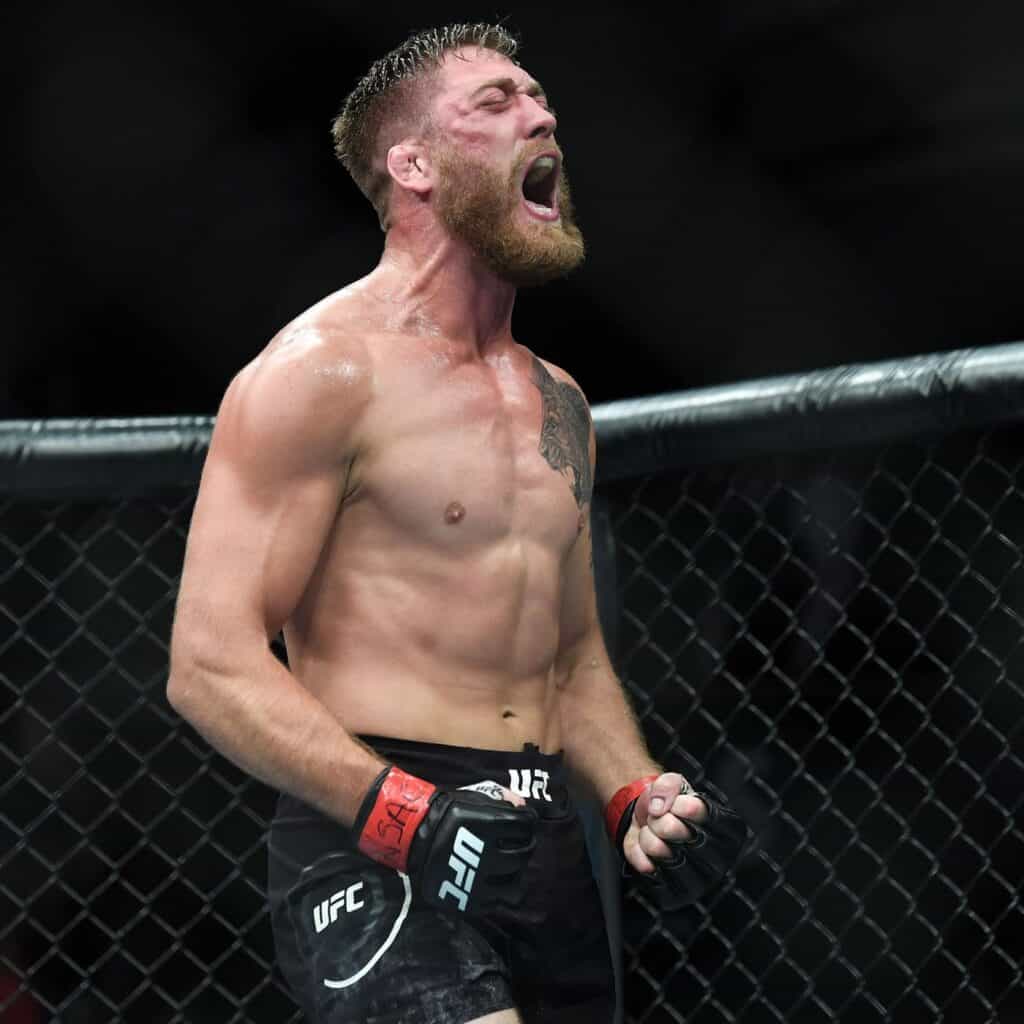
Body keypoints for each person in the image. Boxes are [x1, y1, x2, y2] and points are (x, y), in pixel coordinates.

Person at [167, 22, 748, 1024]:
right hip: (371, 829)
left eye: (541, 100)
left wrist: (631, 791)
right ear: (414, 164)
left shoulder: (558, 401)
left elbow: (568, 657)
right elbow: (209, 662)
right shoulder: (323, 369)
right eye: (497, 101)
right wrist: (406, 814)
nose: (541, 114)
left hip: (541, 842)